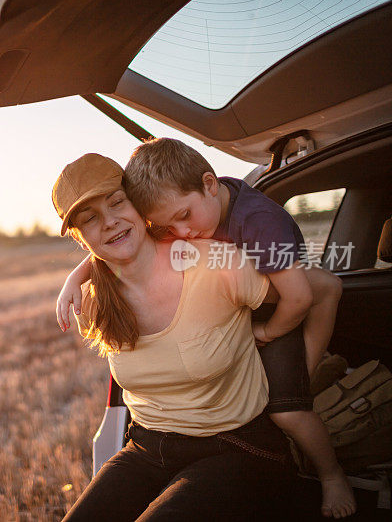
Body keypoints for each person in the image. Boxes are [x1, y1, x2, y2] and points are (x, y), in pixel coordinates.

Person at [55, 139, 355, 518]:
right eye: (89, 218)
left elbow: (320, 289)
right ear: (79, 237)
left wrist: (280, 345)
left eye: (116, 203)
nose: (109, 221)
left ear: (137, 206)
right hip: (146, 446)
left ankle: (329, 474)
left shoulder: (216, 259)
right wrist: (74, 278)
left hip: (234, 445)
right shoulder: (94, 299)